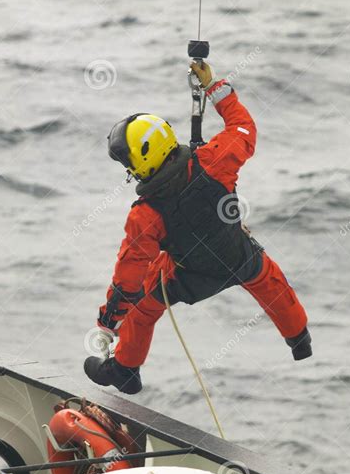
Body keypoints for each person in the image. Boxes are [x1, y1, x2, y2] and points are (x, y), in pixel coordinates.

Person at [84, 61, 312, 394]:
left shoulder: (145, 216)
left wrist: (107, 323)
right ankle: (299, 339)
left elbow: (127, 281)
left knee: (144, 303)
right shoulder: (215, 160)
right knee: (269, 279)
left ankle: (125, 371)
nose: (128, 171)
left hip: (190, 278)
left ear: (144, 161)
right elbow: (243, 128)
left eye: (129, 164)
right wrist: (214, 86)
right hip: (238, 255)